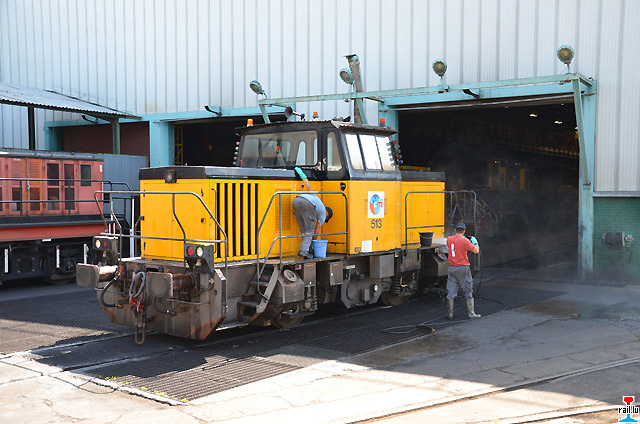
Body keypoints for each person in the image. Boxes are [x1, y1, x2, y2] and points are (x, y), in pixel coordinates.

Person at [292, 167, 333, 259]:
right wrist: (313, 242)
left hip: (296, 200)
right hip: (308, 204)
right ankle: (304, 251)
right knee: (309, 231)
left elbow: (308, 185)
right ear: (327, 216)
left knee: (304, 230)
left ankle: (305, 249)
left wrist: (301, 174)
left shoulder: (316, 197)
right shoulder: (323, 215)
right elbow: (316, 232)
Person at [446, 222, 481, 320]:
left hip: (452, 268)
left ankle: (450, 314)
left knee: (451, 290)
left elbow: (453, 245)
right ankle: (471, 313)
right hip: (463, 268)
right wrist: (475, 242)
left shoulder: (449, 239)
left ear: (455, 230)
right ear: (464, 231)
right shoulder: (465, 241)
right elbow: (476, 251)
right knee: (468, 289)